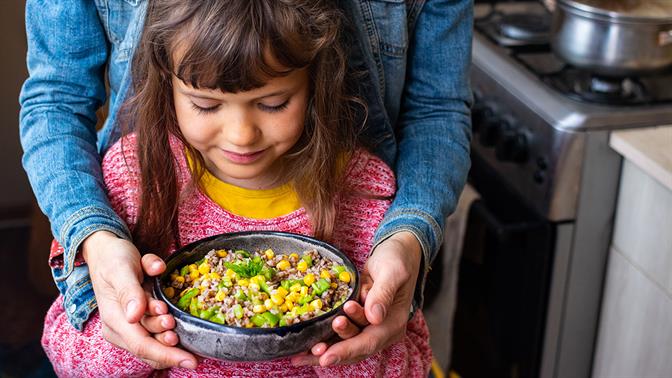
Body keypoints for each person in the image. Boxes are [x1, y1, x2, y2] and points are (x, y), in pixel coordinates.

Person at [20, 0, 472, 371]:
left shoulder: (366, 190)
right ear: (167, 87)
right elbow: (68, 349)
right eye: (204, 104)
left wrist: (343, 347)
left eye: (273, 103)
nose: (241, 135)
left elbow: (408, 357)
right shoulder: (132, 179)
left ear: (318, 84)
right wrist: (133, 332)